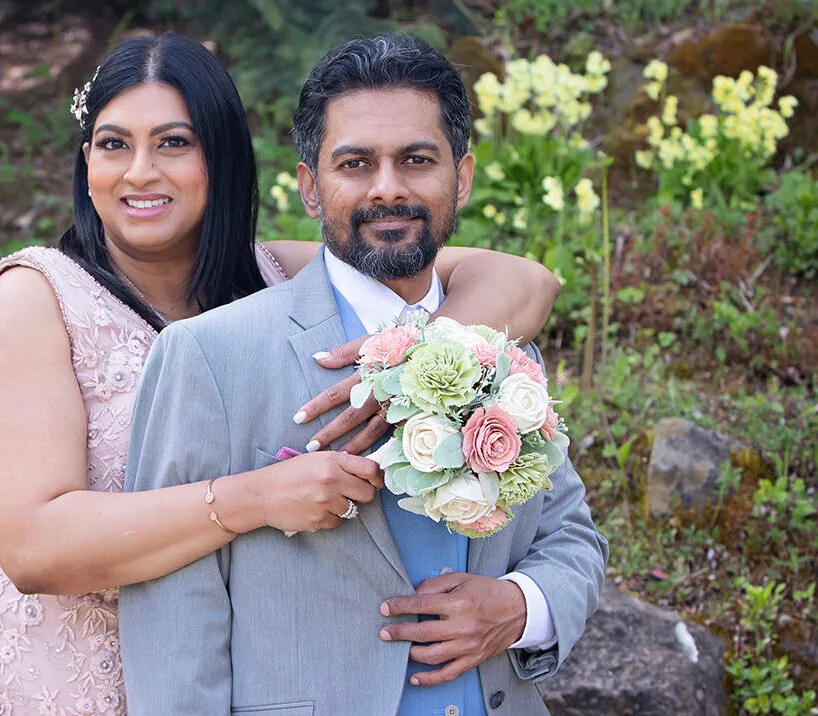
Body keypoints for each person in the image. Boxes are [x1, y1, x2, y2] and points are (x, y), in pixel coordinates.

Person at [0, 33, 560, 716]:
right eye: (114, 144)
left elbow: (519, 278)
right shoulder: (35, 297)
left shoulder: (269, 272)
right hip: (82, 675)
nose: (140, 172)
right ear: (86, 159)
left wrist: (429, 359)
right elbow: (31, 549)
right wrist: (253, 498)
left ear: (222, 157)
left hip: (255, 672)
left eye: (173, 143)